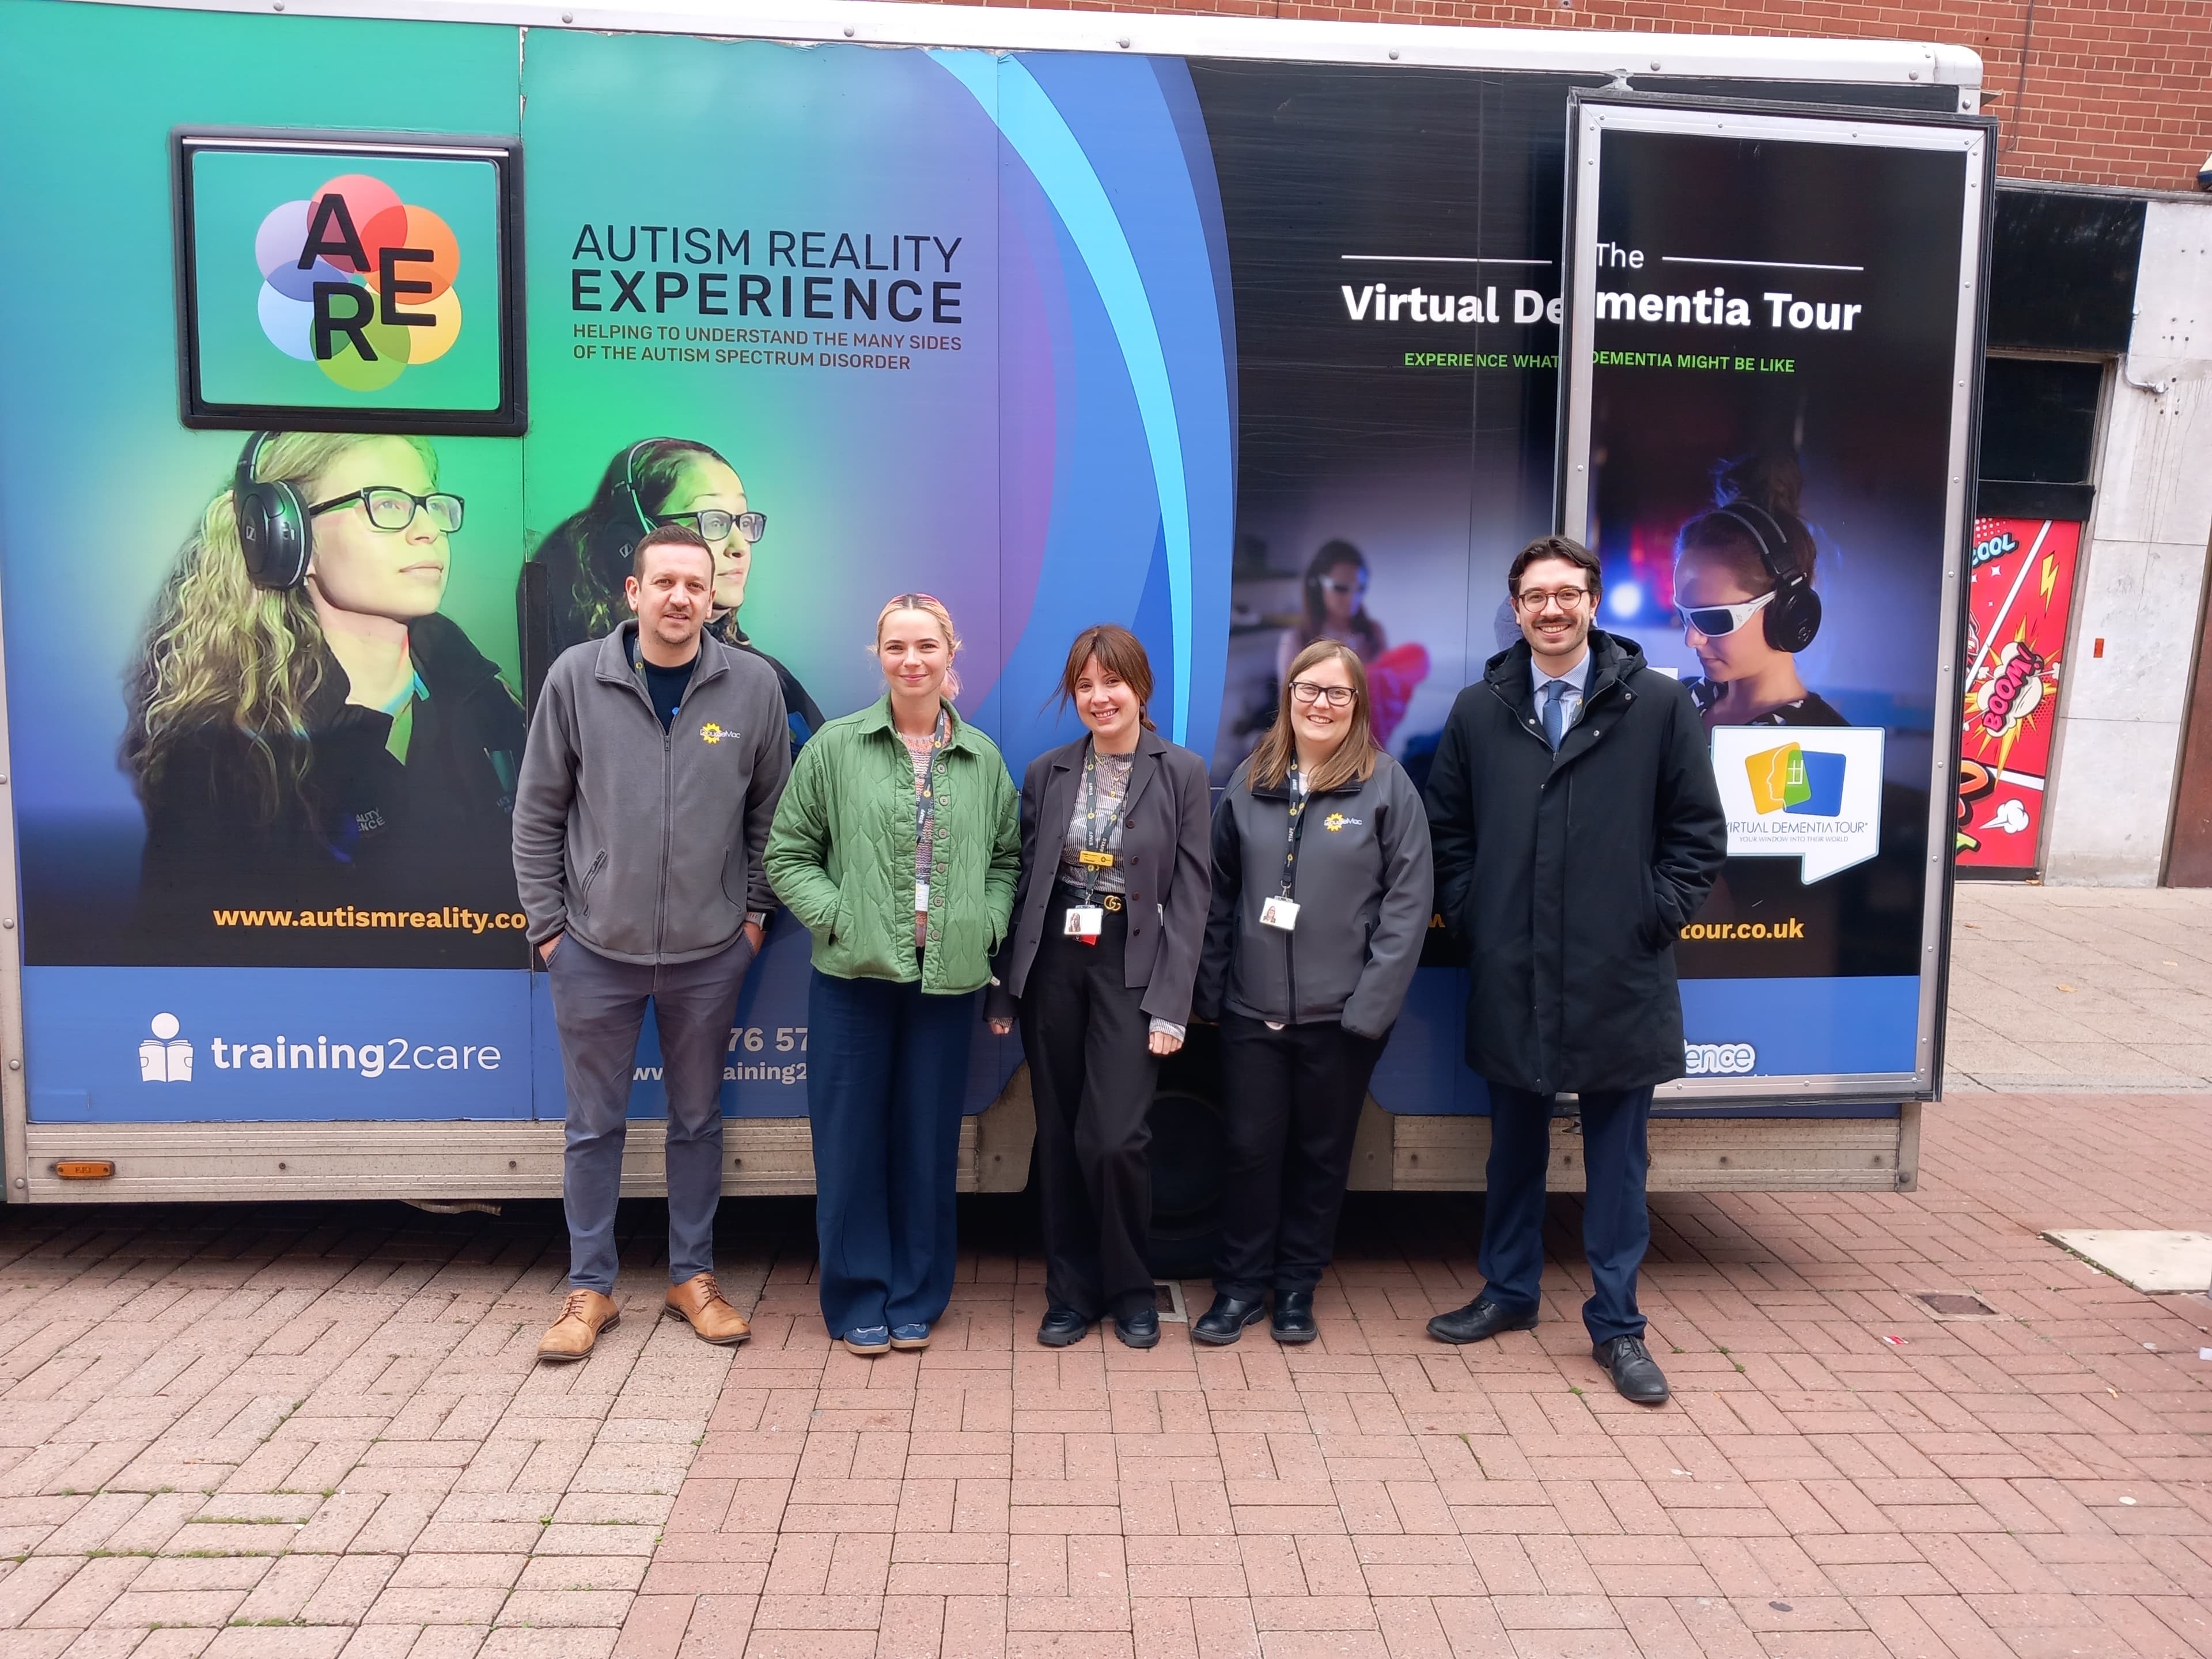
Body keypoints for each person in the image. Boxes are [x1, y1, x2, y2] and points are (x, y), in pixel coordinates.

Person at [1422, 535, 1726, 1404]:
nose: (1550, 610)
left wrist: (1651, 913)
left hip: (1617, 974)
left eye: (1567, 594)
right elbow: (1449, 830)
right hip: (1513, 970)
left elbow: (1697, 836)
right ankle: (1510, 1293)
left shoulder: (1659, 706)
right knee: (1511, 1153)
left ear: (1594, 602)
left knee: (1618, 1166)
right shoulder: (1481, 710)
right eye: (1533, 596)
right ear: (1515, 609)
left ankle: (1620, 1327)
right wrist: (1477, 915)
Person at [514, 524, 792, 1362]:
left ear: (713, 599)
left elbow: (773, 817)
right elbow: (537, 812)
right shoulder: (577, 678)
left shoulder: (754, 687)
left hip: (711, 953)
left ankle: (691, 1278)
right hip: (593, 951)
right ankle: (589, 1290)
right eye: (664, 582)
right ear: (631, 593)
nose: (680, 598)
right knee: (593, 1127)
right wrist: (551, 931)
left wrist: (749, 923)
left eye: (695, 587)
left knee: (698, 1122)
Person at [124, 430, 525, 967]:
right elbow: (187, 962)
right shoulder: (226, 757)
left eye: (431, 504)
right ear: (290, 539)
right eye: (386, 505)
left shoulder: (493, 702)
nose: (428, 530)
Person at [764, 594, 1020, 1356]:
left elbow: (1007, 859)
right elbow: (786, 853)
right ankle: (856, 1298)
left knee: (926, 1143)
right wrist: (839, 918)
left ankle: (916, 1295)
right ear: (878, 656)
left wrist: (988, 923)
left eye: (927, 646)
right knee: (849, 1144)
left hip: (945, 986)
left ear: (952, 654)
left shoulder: (982, 759)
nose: (912, 660)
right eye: (897, 646)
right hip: (852, 979)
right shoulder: (837, 748)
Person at [1191, 641, 1432, 1346]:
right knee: (1248, 1151)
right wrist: (1211, 993)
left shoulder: (1387, 787)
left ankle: (1296, 1289)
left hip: (1342, 1020)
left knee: (1322, 1158)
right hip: (1249, 1014)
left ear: (1357, 705)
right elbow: (1217, 893)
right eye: (1308, 689)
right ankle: (1238, 1291)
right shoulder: (1249, 780)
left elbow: (1407, 906)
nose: (1320, 704)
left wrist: (1370, 1010)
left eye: (1337, 693)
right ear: (1288, 694)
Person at [984, 626, 1211, 1350]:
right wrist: (1003, 990)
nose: (1099, 697)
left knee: (1115, 1139)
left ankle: (1130, 1290)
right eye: (1085, 685)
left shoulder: (1181, 772)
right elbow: (1023, 887)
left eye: (1112, 682)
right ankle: (1070, 1293)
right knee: (1058, 1135)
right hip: (1054, 959)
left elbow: (1194, 897)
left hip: (1129, 962)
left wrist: (1173, 1003)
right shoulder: (1047, 771)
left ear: (1140, 689)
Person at [528, 436, 824, 754]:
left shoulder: (765, 680)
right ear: (629, 542)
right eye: (713, 522)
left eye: (744, 522)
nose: (739, 547)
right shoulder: (578, 679)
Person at [1675, 456, 1846, 729]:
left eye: (1715, 619)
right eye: (1684, 616)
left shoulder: (1828, 747)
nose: (1691, 639)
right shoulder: (1676, 704)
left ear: (1785, 611)